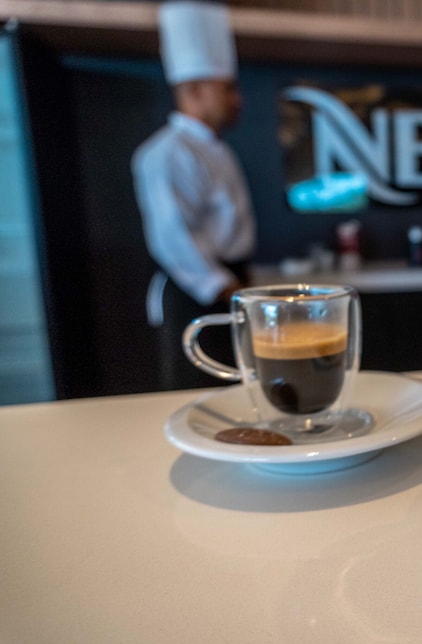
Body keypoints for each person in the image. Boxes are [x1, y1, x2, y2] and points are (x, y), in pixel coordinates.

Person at [132, 1, 256, 389]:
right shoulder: (168, 153)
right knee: (200, 394)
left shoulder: (215, 148)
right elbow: (173, 237)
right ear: (195, 91)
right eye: (228, 89)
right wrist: (229, 289)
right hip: (199, 292)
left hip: (231, 283)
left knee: (239, 392)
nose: (238, 99)